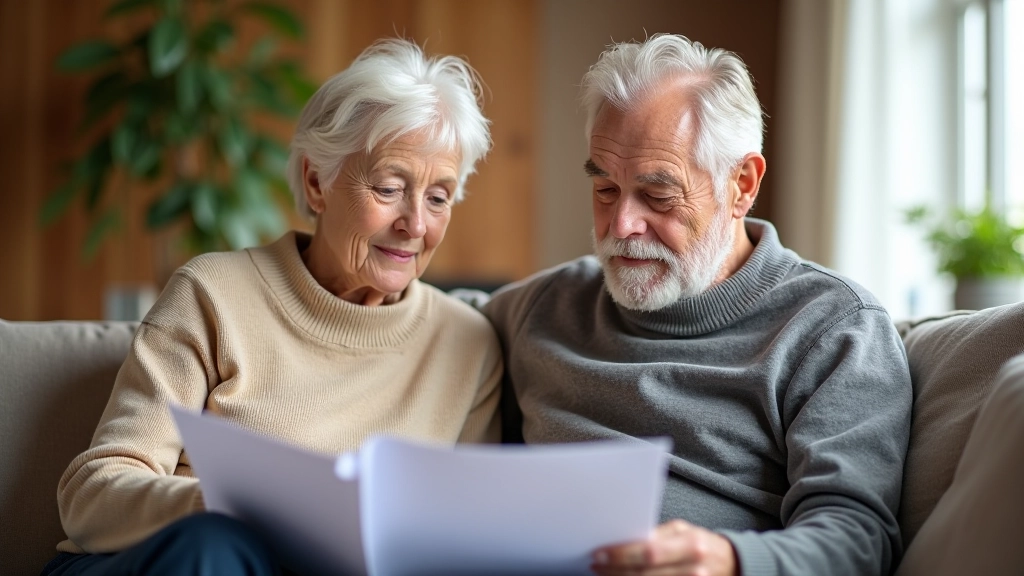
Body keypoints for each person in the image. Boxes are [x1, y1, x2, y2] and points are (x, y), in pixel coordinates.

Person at [43, 39, 501, 576]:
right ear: (316, 182)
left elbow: (468, 539)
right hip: (175, 561)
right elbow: (90, 496)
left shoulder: (469, 346)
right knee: (216, 547)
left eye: (438, 197)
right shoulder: (213, 293)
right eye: (388, 187)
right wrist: (236, 509)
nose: (415, 225)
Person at [480, 34, 912, 576]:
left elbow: (857, 539)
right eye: (606, 190)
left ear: (742, 185)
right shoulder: (545, 306)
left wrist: (732, 560)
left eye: (658, 196)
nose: (621, 226)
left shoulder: (832, 329)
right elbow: (412, 322)